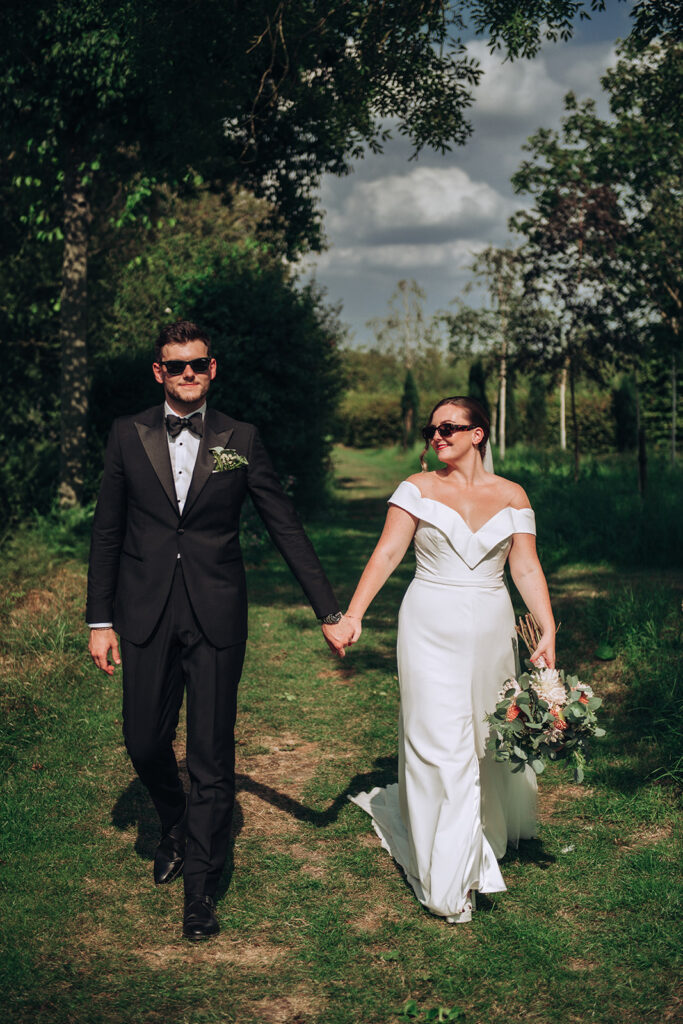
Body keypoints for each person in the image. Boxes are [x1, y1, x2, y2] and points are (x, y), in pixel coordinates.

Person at [86, 320, 354, 941]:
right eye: (176, 365)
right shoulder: (128, 435)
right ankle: (174, 819)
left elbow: (284, 526)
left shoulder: (242, 439)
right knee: (143, 742)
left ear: (213, 369)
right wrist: (100, 619)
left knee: (211, 755)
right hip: (144, 611)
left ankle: (200, 893)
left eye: (198, 365)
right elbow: (107, 531)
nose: (188, 374)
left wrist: (328, 611)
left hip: (217, 615)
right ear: (159, 372)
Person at [344, 396, 555, 923]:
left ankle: (482, 831)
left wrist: (547, 626)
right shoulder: (416, 490)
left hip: (490, 626)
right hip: (429, 625)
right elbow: (388, 552)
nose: (437, 436)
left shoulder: (511, 495)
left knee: (485, 736)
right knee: (439, 740)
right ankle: (451, 876)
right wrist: (354, 614)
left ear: (478, 434)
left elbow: (525, 567)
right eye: (432, 429)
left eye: (450, 427)